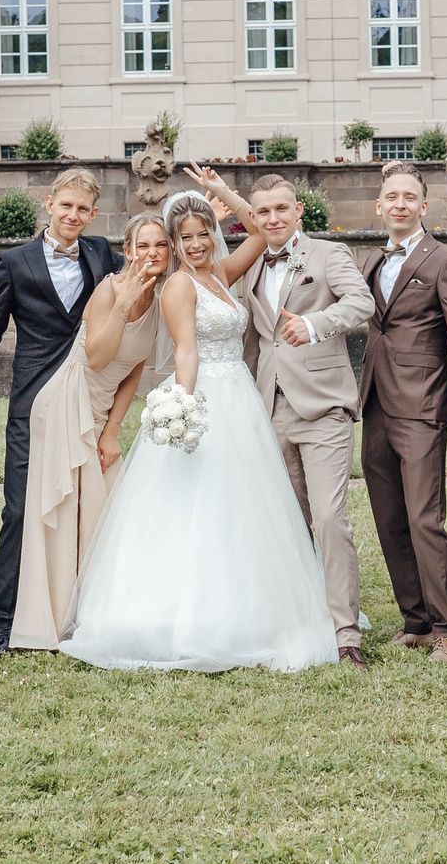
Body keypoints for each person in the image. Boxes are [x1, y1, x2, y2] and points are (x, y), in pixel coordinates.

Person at [62, 172, 338, 673]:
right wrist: (183, 405)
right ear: (173, 243)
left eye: (202, 233)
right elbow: (185, 351)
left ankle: (255, 604)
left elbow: (260, 230)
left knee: (244, 506)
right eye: (184, 237)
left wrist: (226, 193)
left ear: (214, 233)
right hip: (206, 396)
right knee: (198, 505)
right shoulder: (179, 286)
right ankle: (188, 615)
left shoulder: (220, 275)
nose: (195, 244)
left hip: (241, 397)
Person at [0, 168, 125, 652]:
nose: (73, 215)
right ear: (49, 203)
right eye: (66, 206)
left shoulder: (103, 255)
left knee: (82, 507)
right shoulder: (13, 262)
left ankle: (81, 609)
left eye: (83, 209)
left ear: (94, 214)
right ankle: (5, 620)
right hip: (33, 400)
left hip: (85, 400)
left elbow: (151, 264)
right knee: (20, 509)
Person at [11, 215, 170, 651]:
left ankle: (95, 610)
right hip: (67, 404)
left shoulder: (160, 297)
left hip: (101, 413)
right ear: (128, 249)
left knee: (106, 512)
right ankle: (56, 619)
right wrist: (121, 305)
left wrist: (112, 430)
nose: (152, 253)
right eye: (143, 245)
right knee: (69, 516)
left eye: (160, 244)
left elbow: (135, 369)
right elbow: (97, 359)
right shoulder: (110, 289)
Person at [239, 174, 377, 666]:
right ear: (254, 217)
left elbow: (361, 302)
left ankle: (345, 635)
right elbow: (253, 340)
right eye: (263, 211)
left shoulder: (328, 254)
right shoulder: (249, 264)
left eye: (281, 208)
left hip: (323, 408)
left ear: (298, 210)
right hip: (270, 408)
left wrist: (315, 325)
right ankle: (298, 623)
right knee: (287, 522)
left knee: (330, 519)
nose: (273, 218)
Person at [358, 162, 447, 663]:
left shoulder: (445, 260)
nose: (400, 204)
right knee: (389, 517)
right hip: (374, 401)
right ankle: (415, 620)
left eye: (409, 197)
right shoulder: (371, 260)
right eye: (391, 197)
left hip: (421, 404)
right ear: (379, 206)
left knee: (424, 519)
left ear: (423, 206)